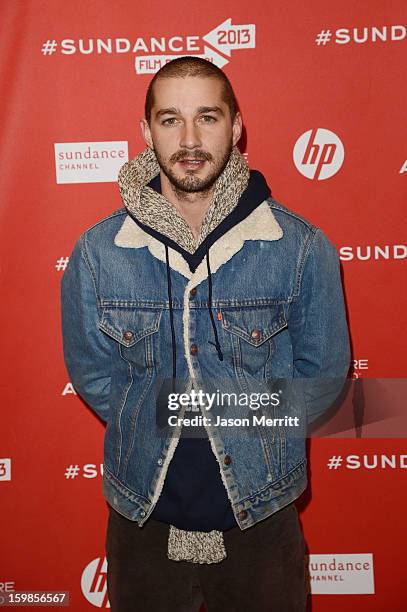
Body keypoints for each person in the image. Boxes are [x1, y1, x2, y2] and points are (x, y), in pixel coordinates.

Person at [60, 56, 351, 611]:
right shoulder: (98, 253)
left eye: (208, 117)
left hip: (263, 518)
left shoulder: (301, 247)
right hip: (140, 518)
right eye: (170, 120)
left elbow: (324, 379)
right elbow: (95, 376)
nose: (190, 139)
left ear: (236, 127)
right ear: (146, 132)